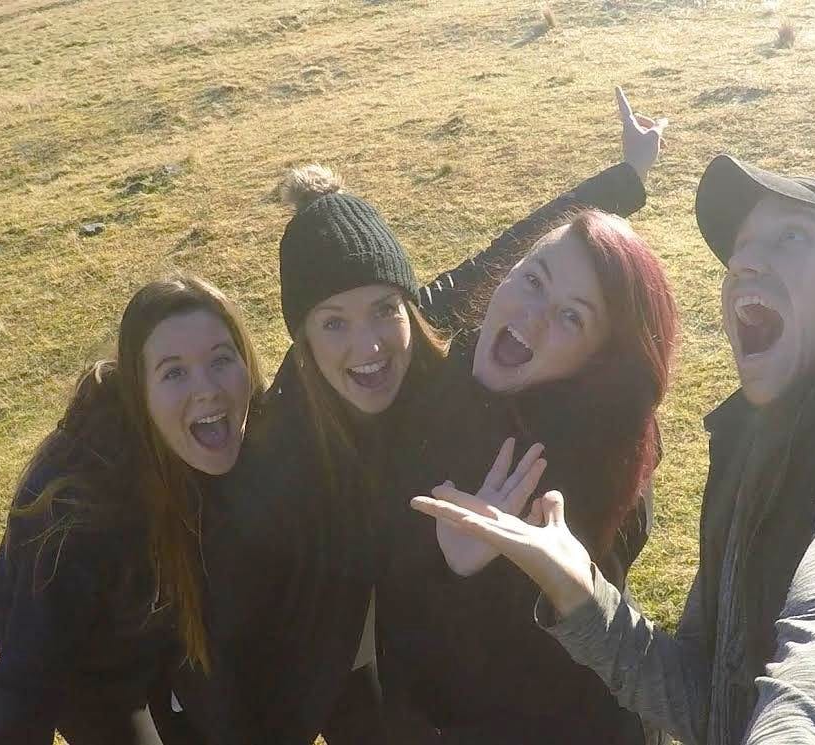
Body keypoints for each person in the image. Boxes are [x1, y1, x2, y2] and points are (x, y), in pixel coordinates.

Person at [413, 155, 815, 745]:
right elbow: (710, 705)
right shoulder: (758, 439)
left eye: (791, 237)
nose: (745, 261)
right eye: (741, 249)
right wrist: (579, 592)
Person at [190, 89, 668, 745]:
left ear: (407, 303)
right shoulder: (283, 447)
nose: (369, 346)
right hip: (357, 682)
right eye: (333, 323)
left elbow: (528, 254)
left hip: (478, 685)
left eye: (384, 309)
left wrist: (626, 176)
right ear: (301, 337)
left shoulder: (441, 346)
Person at [376, 207, 679, 744]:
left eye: (572, 318)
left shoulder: (566, 480)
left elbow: (530, 689)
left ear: (598, 361)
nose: (531, 315)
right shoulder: (455, 369)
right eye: (534, 279)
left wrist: (459, 573)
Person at [0, 274, 265, 745]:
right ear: (141, 393)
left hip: (174, 632)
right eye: (174, 372)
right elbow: (27, 687)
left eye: (221, 359)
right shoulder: (81, 520)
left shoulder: (248, 432)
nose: (207, 389)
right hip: (93, 662)